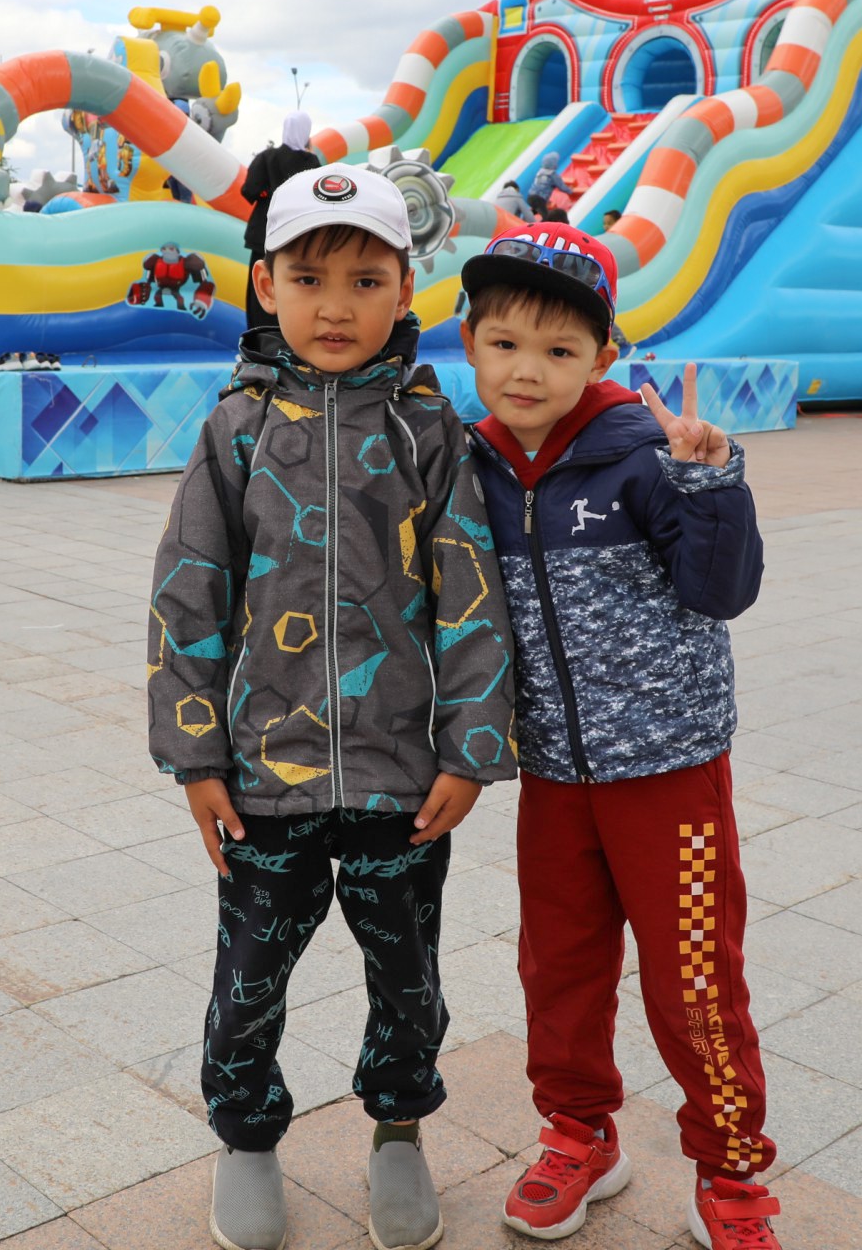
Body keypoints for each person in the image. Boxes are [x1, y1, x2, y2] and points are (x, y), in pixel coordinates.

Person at [148, 164, 515, 1250]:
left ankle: (399, 1130)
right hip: (266, 774)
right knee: (249, 976)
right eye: (309, 279)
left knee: (408, 973)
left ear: (408, 291)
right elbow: (187, 592)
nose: (337, 306)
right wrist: (195, 756)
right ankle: (246, 1139)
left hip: (404, 779)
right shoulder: (238, 429)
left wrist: (472, 748)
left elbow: (472, 597)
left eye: (366, 280)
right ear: (267, 285)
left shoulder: (429, 432)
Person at [453, 224, 777, 1249]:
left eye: (559, 350)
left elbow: (721, 593)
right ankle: (579, 1135)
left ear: (602, 354)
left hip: (670, 772)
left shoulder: (645, 455)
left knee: (694, 978)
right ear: (470, 344)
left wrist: (711, 483)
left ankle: (730, 1171)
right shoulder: (471, 465)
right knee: (559, 968)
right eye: (505, 343)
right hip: (553, 775)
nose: (528, 370)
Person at [238, 112, 318, 328]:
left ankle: (259, 336)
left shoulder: (266, 157)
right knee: (295, 282)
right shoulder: (310, 161)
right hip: (297, 233)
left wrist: (269, 192)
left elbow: (249, 191)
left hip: (264, 233)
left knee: (259, 285)